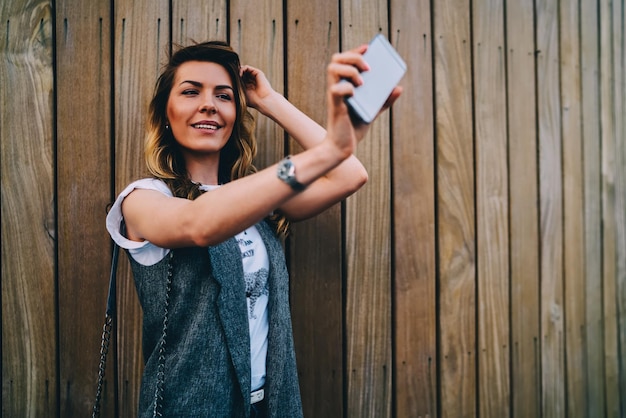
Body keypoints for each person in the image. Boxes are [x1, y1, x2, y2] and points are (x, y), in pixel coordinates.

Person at [106, 40, 401, 418]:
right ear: (166, 112)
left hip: (270, 406)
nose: (209, 103)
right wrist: (329, 150)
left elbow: (350, 175)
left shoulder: (257, 200)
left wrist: (269, 100)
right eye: (191, 91)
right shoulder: (142, 198)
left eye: (224, 96)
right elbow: (200, 224)